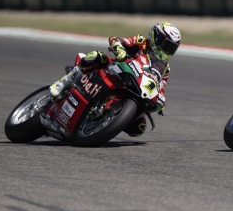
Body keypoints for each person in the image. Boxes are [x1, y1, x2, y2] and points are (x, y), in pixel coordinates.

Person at [49, 22, 182, 137]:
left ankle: (106, 119)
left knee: (139, 127)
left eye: (172, 48)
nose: (167, 51)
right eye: (166, 45)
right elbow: (115, 39)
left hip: (135, 86)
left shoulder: (165, 68)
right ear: (155, 38)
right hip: (114, 69)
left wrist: (160, 101)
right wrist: (120, 49)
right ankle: (63, 83)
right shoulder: (141, 42)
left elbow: (161, 86)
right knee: (97, 56)